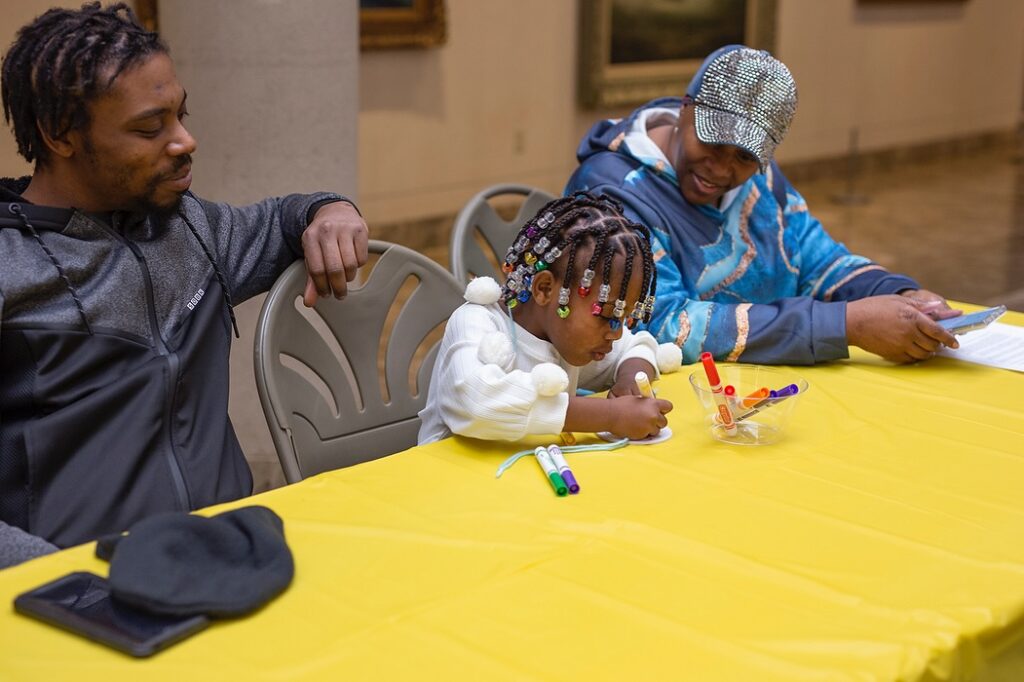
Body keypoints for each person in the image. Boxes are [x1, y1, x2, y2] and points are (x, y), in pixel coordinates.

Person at [0, 3, 368, 563]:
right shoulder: (11, 267)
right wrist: (49, 577)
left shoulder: (192, 228)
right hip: (80, 586)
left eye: (181, 115)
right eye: (150, 127)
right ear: (59, 135)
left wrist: (331, 208)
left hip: (229, 552)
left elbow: (282, 218)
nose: (184, 140)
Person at [566, 44, 961, 366]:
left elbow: (815, 258)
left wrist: (899, 292)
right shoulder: (610, 193)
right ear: (685, 109)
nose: (721, 169)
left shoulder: (760, 180)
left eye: (743, 158)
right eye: (712, 144)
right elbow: (664, 324)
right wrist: (845, 325)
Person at [418, 192, 674, 445]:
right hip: (451, 479)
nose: (615, 333)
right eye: (607, 315)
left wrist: (631, 381)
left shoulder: (564, 335)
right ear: (544, 290)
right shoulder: (475, 322)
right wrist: (611, 415)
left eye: (622, 318)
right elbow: (476, 401)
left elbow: (636, 346)